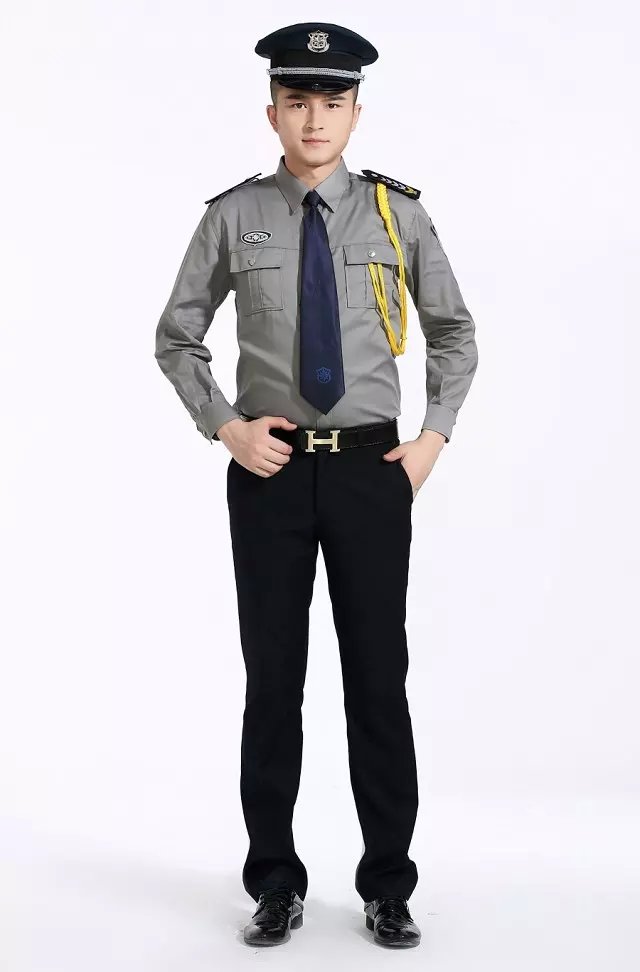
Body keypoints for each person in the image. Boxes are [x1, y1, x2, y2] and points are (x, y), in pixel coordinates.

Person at [154, 21, 478, 949]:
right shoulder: (234, 216)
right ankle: (274, 882)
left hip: (374, 473)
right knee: (273, 686)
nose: (313, 120)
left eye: (332, 103)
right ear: (272, 112)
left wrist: (432, 438)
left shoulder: (396, 215)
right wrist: (225, 425)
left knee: (379, 680)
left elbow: (454, 332)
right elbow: (176, 336)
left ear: (356, 113)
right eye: (296, 101)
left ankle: (388, 885)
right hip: (270, 473)